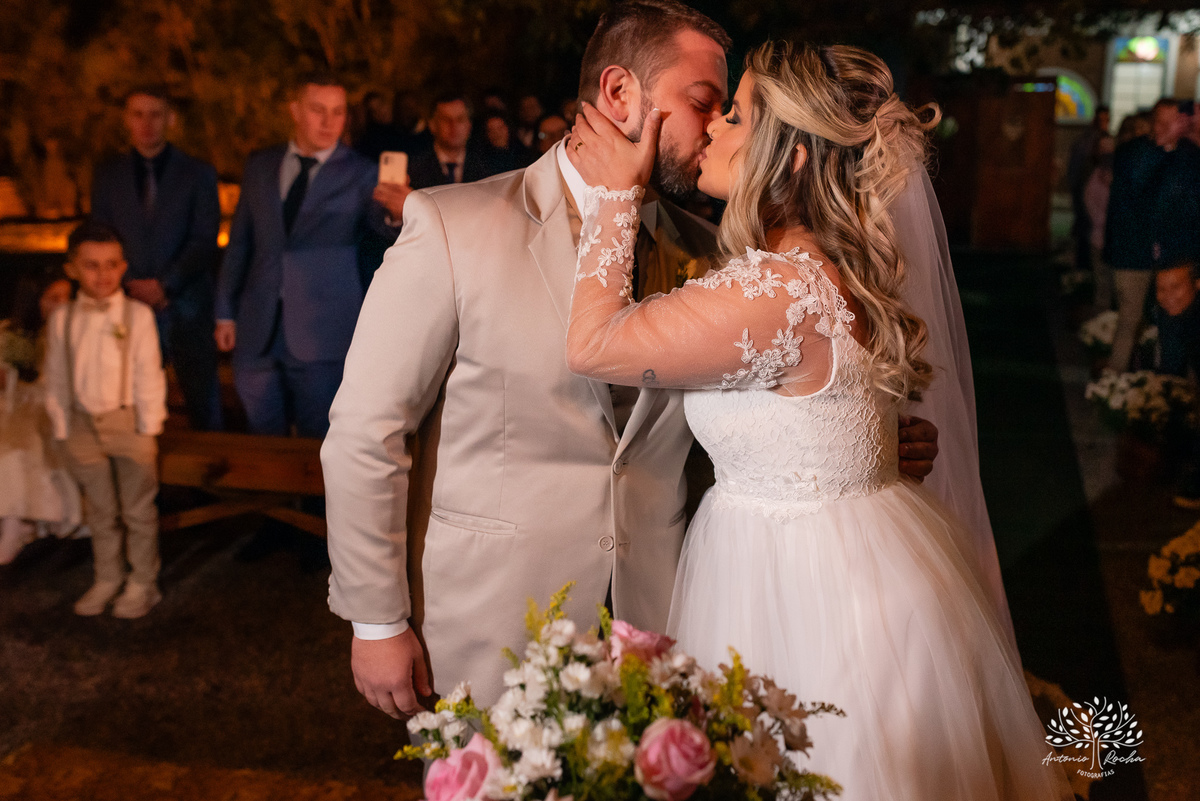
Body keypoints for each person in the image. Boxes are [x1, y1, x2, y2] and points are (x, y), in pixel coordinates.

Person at [322, 0, 940, 720]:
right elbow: (368, 430)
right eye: (704, 103)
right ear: (620, 93)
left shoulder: (716, 254)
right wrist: (377, 620)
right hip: (492, 623)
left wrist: (856, 447)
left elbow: (743, 421)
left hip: (669, 621)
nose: (714, 129)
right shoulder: (453, 227)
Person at [564, 41, 1070, 801]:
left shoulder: (777, 288)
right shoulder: (837, 268)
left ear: (792, 156)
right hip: (852, 553)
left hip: (801, 585)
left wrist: (613, 197)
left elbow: (592, 344)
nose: (714, 129)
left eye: (736, 114)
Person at [215, 71, 400, 438]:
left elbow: (384, 228)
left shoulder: (363, 173)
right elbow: (240, 242)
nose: (329, 121)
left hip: (324, 331)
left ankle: (317, 501)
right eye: (318, 109)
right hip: (257, 328)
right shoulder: (259, 164)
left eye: (338, 111)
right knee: (263, 445)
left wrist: (398, 211)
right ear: (295, 110)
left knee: (321, 447)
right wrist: (224, 312)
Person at [44, 221, 167, 618]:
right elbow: (57, 376)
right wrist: (62, 429)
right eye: (92, 265)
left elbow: (149, 374)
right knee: (100, 510)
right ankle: (108, 577)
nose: (103, 274)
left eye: (111, 264)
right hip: (81, 426)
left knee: (137, 510)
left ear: (124, 266)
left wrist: (148, 429)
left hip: (127, 424)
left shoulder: (138, 316)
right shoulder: (62, 319)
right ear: (72, 269)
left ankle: (143, 582)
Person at [91, 87, 223, 431]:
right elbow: (102, 237)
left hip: (186, 305)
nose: (147, 123)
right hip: (128, 304)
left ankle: (211, 481)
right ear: (126, 120)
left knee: (203, 403)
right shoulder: (107, 175)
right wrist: (130, 283)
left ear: (170, 120)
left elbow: (204, 239)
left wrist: (165, 284)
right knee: (128, 402)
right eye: (138, 114)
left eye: (155, 114)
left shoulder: (199, 173)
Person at [1106, 98, 1200, 372]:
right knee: (1130, 321)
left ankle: (1162, 387)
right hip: (1135, 256)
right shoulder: (1135, 151)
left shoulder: (1187, 154)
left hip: (1173, 260)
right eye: (1162, 122)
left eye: (1174, 122)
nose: (1168, 128)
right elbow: (1136, 185)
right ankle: (1117, 382)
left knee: (1173, 327)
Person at [0, 273, 80, 564]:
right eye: (54, 298)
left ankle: (14, 526)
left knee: (19, 448)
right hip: (12, 403)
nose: (63, 305)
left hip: (48, 409)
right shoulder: (13, 332)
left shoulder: (70, 334)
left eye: (67, 297)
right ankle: (17, 522)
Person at [405, 95, 490, 190]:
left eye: (460, 119)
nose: (454, 126)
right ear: (432, 125)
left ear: (469, 125)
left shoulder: (486, 167)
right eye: (445, 119)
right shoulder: (414, 169)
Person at [1083, 134, 1116, 311]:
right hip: (1100, 237)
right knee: (1102, 282)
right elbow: (1091, 204)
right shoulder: (1094, 178)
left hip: (1114, 238)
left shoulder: (1121, 175)